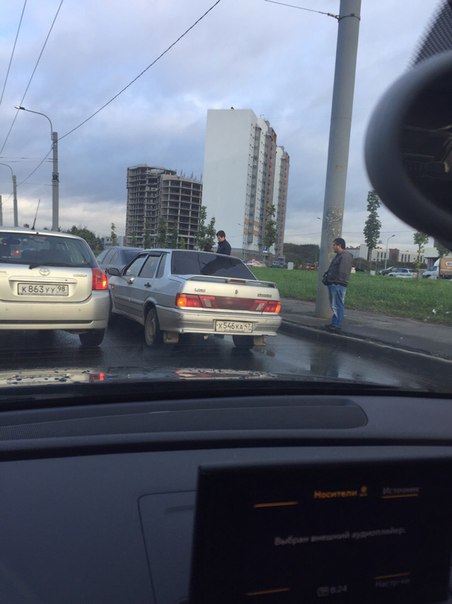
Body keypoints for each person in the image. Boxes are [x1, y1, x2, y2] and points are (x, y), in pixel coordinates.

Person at [322, 237, 353, 332]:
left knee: (337, 305)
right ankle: (334, 323)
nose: (333, 247)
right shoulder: (339, 255)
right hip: (335, 283)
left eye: (334, 245)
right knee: (335, 305)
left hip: (338, 284)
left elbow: (343, 271)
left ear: (339, 245)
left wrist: (336, 282)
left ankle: (337, 325)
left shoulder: (345, 256)